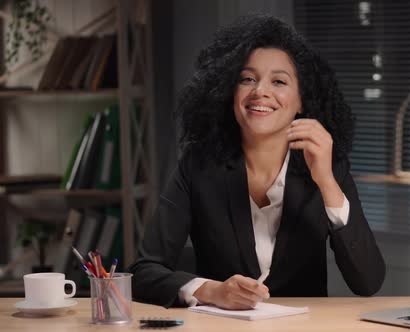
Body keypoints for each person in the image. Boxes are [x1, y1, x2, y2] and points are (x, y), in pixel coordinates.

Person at [128, 14, 385, 309]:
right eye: (247, 79)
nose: (260, 91)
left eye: (278, 81)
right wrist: (211, 291)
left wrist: (326, 182)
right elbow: (143, 272)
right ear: (229, 92)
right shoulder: (197, 166)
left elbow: (368, 281)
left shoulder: (328, 166)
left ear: (302, 100)